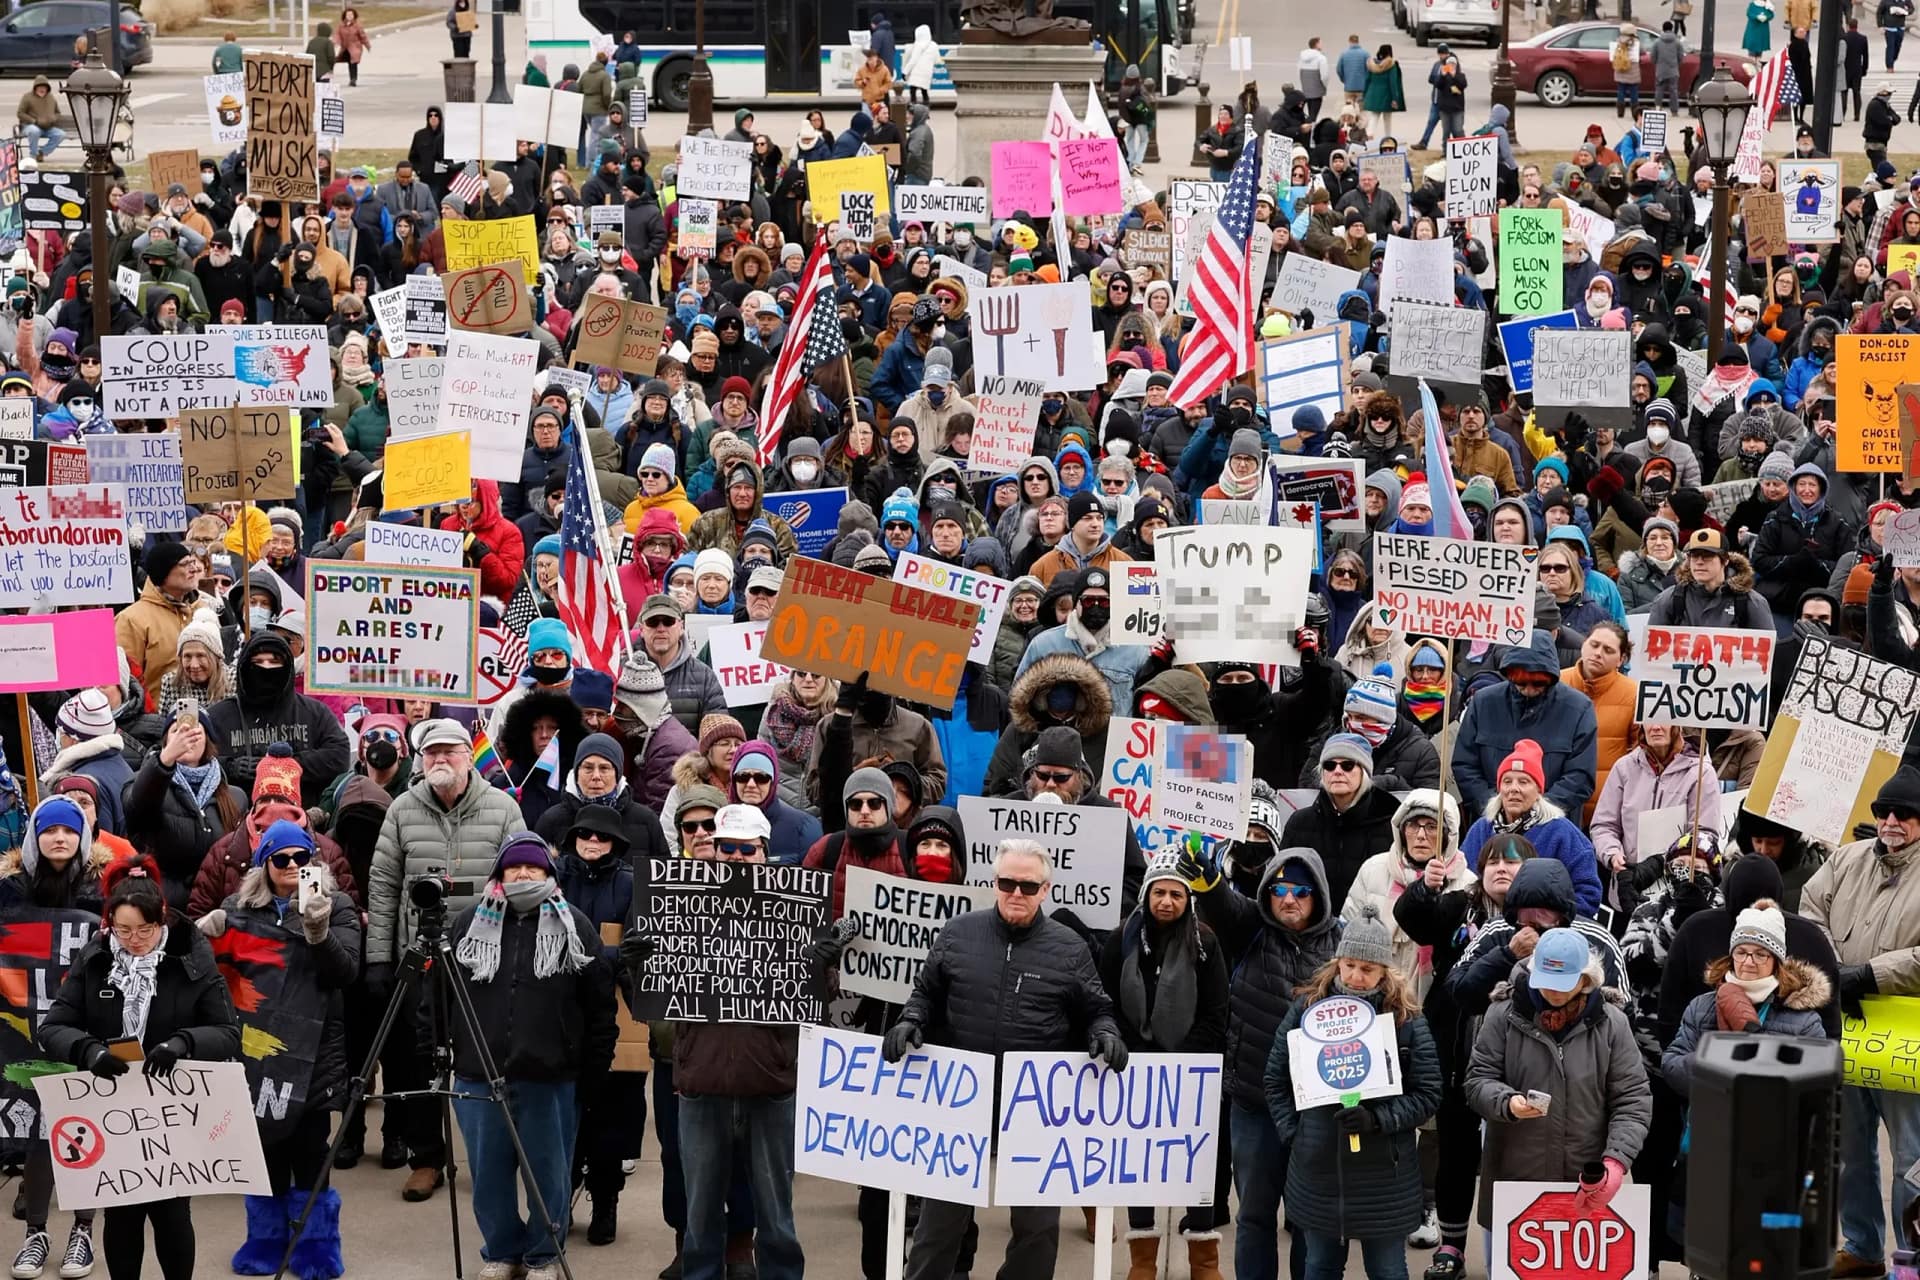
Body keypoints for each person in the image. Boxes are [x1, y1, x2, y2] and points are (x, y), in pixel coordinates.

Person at [890, 838, 1126, 1280]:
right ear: (993, 882)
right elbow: (926, 993)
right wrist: (911, 1021)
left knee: (1037, 1231)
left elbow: (1097, 1009)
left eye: (1027, 885)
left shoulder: (1070, 948)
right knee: (939, 1226)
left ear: (1046, 889)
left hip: (1036, 1104)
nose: (1016, 893)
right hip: (960, 1097)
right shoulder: (959, 932)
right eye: (1006, 883)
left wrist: (1105, 1033)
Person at [39, 858, 242, 1280]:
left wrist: (183, 1043)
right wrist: (89, 1051)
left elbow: (226, 1032)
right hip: (114, 1106)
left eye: (144, 930)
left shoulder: (191, 958)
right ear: (110, 924)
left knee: (172, 1213)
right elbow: (54, 1027)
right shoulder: (95, 958)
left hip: (172, 1105)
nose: (134, 940)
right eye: (123, 930)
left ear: (160, 921)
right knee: (122, 1215)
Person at [365, 719, 528, 1203]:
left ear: (467, 756)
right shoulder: (401, 809)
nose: (440, 760)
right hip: (422, 959)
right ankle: (427, 1159)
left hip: (485, 960)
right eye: (430, 752)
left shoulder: (503, 810)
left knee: (485, 1060)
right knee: (420, 1062)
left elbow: (523, 881)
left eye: (449, 752)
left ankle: (491, 1156)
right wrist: (379, 959)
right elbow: (383, 885)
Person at [443, 832, 614, 1280]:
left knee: (548, 1177)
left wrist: (592, 1071)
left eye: (532, 867)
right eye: (513, 867)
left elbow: (599, 1006)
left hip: (550, 1076)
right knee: (488, 1177)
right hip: (479, 1076)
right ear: (499, 874)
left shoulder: (576, 925)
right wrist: (441, 1052)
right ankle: (501, 1251)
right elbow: (439, 996)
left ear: (549, 873)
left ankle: (543, 1254)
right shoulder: (466, 925)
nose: (521, 873)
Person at [203, 819, 358, 1280]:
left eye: (301, 858)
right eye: (281, 858)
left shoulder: (339, 905)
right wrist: (199, 936)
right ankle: (266, 1239)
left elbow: (346, 972)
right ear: (263, 865)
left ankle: (316, 1246)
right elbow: (202, 973)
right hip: (254, 1054)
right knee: (264, 1153)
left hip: (314, 1054)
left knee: (312, 1152)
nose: (292, 866)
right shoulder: (237, 909)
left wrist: (318, 931)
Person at [1265, 905, 1443, 1279]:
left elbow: (1428, 1094)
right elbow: (1276, 1078)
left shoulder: (1406, 1019)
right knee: (1320, 1266)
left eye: (1367, 969)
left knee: (1388, 1270)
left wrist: (1378, 1119)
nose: (1356, 976)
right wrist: (1296, 1135)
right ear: (1338, 962)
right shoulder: (1306, 1010)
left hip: (1385, 1177)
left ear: (1384, 971)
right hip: (1318, 1172)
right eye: (1349, 965)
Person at [1193, 842, 1340, 1280]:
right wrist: (1205, 871)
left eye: (1300, 890)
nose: (1288, 898)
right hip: (1255, 1102)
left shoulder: (1341, 941)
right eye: (1278, 889)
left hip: (1317, 1108)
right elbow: (1220, 900)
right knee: (1254, 1215)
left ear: (1319, 895)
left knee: (1307, 1219)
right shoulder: (1250, 928)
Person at [1464, 928, 1652, 1248]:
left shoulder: (1612, 1024)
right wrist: (1507, 1103)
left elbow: (1632, 1099)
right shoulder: (1502, 1014)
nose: (1553, 992)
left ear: (1586, 979)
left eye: (1564, 983)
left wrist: (1616, 1161)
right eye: (1546, 980)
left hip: (1586, 1186)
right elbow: (1477, 1080)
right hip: (1515, 1185)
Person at [1803, 766, 1920, 1276]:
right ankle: (1863, 1246)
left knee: (1911, 1154)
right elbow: (1809, 909)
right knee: (1850, 1146)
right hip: (1844, 1018)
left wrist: (1869, 974)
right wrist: (1833, 971)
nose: (1892, 820)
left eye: (1905, 813)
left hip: (1904, 1025)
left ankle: (1911, 1254)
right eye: (1883, 811)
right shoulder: (1846, 859)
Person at [1662, 898, 1829, 1235]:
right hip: (1708, 1146)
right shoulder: (1702, 1007)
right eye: (1741, 952)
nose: (1748, 962)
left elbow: (1819, 1087)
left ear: (1777, 960)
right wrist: (1718, 1066)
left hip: (1773, 1157)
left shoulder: (1801, 1017)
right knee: (1706, 1246)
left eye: (1760, 954)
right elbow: (1673, 1063)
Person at [1102, 850, 1230, 1279]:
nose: (1167, 902)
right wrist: (1133, 1052)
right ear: (1147, 894)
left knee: (1194, 1163)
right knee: (1141, 1161)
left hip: (1191, 1075)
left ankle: (1203, 1259)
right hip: (1135, 1071)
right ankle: (1142, 1259)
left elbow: (1217, 1012)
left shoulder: (1205, 943)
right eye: (1159, 892)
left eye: (1176, 894)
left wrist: (1182, 1061)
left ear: (1187, 900)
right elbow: (1107, 1001)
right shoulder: (1121, 938)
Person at [1, 798, 106, 1280]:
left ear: (82, 838)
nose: (59, 838)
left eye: (69, 830)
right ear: (34, 837)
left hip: (88, 1028)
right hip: (25, 1029)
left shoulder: (105, 886)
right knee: (39, 1137)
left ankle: (83, 1231)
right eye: (49, 830)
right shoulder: (8, 892)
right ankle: (36, 1234)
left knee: (85, 1134)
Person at [1452, 632, 1600, 823]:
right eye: (1521, 682)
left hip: (1552, 826)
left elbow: (1581, 776)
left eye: (1538, 683)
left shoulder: (1578, 708)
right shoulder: (1483, 702)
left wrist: (1539, 811)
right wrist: (1495, 807)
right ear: (1510, 675)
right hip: (1493, 823)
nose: (1529, 689)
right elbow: (1465, 765)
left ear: (1551, 677)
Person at [1460, 739, 1604, 917]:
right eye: (1507, 781)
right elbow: (1463, 881)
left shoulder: (1562, 832)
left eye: (1523, 782)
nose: (1514, 789)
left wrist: (1547, 920)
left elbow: (1588, 894)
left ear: (1539, 791)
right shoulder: (1481, 830)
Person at [16, 77, 63, 162]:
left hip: (47, 127)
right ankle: (33, 155)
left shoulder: (51, 98)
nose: (42, 89)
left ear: (47, 88)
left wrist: (53, 118)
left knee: (60, 134)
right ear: (35, 87)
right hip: (30, 126)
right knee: (34, 131)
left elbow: (58, 113)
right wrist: (34, 121)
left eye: (44, 87)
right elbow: (20, 113)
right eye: (40, 87)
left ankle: (41, 153)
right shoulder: (27, 97)